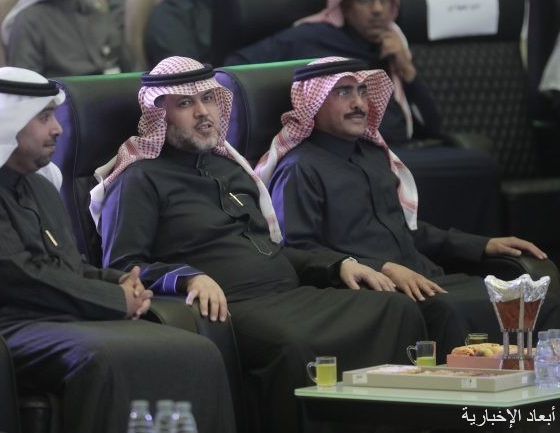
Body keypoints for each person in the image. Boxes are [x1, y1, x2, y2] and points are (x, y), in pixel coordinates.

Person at [93, 55, 427, 433]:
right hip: (233, 306)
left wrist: (338, 264)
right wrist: (187, 277)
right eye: (186, 103)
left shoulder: (229, 168)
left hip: (289, 294)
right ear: (160, 114)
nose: (203, 112)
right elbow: (122, 267)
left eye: (208, 99)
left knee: (396, 309)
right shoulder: (139, 179)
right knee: (297, 343)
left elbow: (271, 249)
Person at [0, 66, 236, 433]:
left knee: (196, 350)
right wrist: (114, 300)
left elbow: (67, 266)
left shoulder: (40, 185)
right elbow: (16, 279)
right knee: (106, 358)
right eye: (44, 118)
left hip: (52, 315)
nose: (57, 129)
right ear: (5, 123)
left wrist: (119, 281)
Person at [256, 56, 560, 362]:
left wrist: (483, 244)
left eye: (363, 91)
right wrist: (381, 267)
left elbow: (405, 232)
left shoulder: (373, 155)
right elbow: (300, 252)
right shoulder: (299, 169)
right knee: (451, 312)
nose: (358, 103)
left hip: (423, 277)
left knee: (539, 304)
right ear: (313, 102)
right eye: (343, 92)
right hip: (376, 293)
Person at [226, 0, 440, 146]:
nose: (377, 9)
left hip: (400, 149)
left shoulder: (393, 44)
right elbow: (236, 66)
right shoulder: (311, 36)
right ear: (344, 5)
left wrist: (407, 68)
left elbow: (433, 125)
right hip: (347, 153)